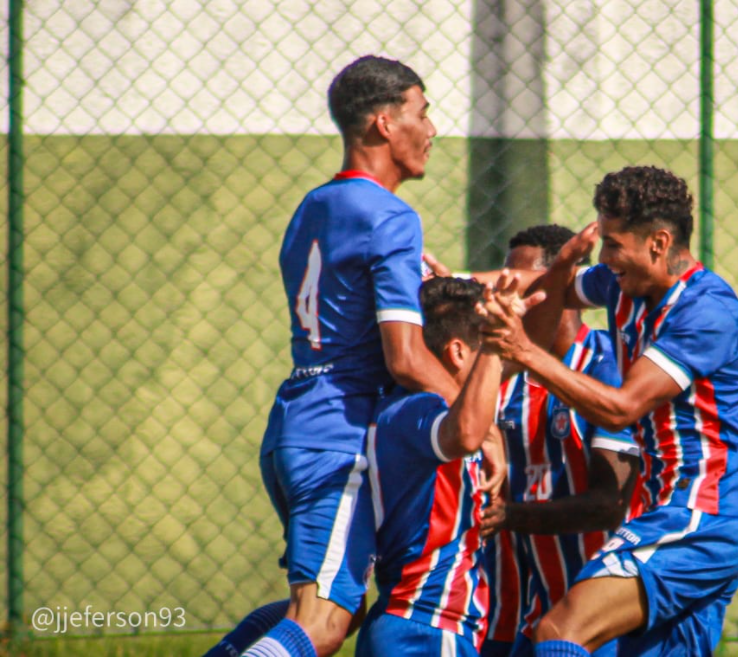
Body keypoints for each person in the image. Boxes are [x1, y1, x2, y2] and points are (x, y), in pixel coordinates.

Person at [236, 56, 501, 657]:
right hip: (339, 434)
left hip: (294, 426)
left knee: (340, 604)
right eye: (423, 112)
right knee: (322, 621)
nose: (432, 129)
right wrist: (479, 424)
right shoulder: (392, 216)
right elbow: (406, 358)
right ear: (385, 124)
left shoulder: (314, 206)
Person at [481, 166, 738, 656]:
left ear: (658, 242)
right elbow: (541, 285)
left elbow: (621, 408)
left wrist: (522, 352)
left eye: (613, 244)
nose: (604, 259)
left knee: (560, 631)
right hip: (673, 516)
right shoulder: (621, 286)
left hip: (696, 518)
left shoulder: (706, 310)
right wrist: (433, 284)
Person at [479, 225, 641, 657]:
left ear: (561, 287)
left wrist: (510, 515)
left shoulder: (610, 367)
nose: (508, 296)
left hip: (597, 615)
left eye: (524, 283)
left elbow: (611, 504)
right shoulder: (503, 378)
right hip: (520, 609)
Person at [355, 276, 505, 656]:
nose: (499, 367)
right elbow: (466, 433)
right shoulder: (420, 411)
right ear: (458, 352)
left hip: (407, 623)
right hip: (427, 626)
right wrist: (492, 345)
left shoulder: (400, 406)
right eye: (489, 353)